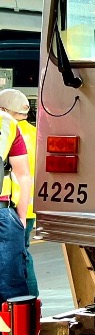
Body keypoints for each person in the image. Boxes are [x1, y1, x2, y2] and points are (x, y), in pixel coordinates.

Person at [0, 89, 34, 300]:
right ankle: (22, 324)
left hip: (10, 208)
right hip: (13, 211)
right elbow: (24, 175)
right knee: (14, 278)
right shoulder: (14, 126)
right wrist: (20, 217)